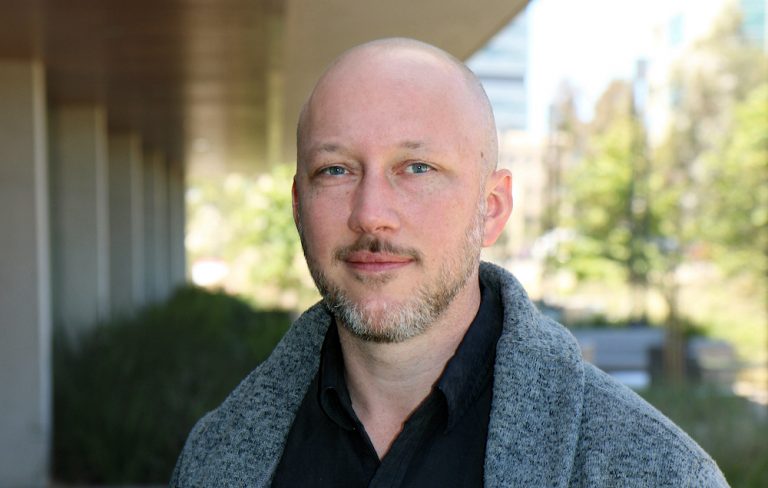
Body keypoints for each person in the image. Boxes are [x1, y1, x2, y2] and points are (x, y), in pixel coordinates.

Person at [171, 38, 728, 487]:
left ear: (492, 209)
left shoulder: (656, 470)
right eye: (336, 170)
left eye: (417, 168)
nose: (371, 216)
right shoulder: (214, 456)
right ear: (298, 205)